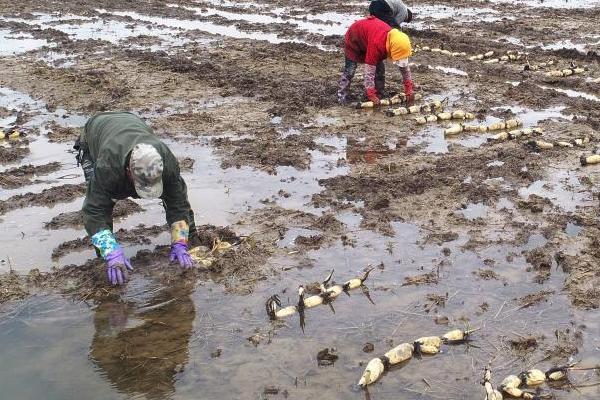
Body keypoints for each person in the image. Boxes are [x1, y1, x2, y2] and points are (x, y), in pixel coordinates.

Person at [74, 111, 196, 286]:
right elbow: (94, 211)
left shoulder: (167, 162)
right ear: (128, 171)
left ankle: (187, 244)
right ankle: (108, 262)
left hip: (131, 120)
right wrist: (110, 251)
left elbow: (178, 204)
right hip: (95, 130)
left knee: (179, 206)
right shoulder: (108, 166)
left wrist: (181, 241)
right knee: (100, 202)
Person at [337, 16, 414, 105]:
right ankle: (342, 96)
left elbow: (404, 68)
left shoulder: (396, 42)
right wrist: (370, 94)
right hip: (354, 37)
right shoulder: (377, 44)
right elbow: (369, 71)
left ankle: (379, 93)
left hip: (369, 38)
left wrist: (409, 88)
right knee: (350, 70)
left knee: (380, 69)